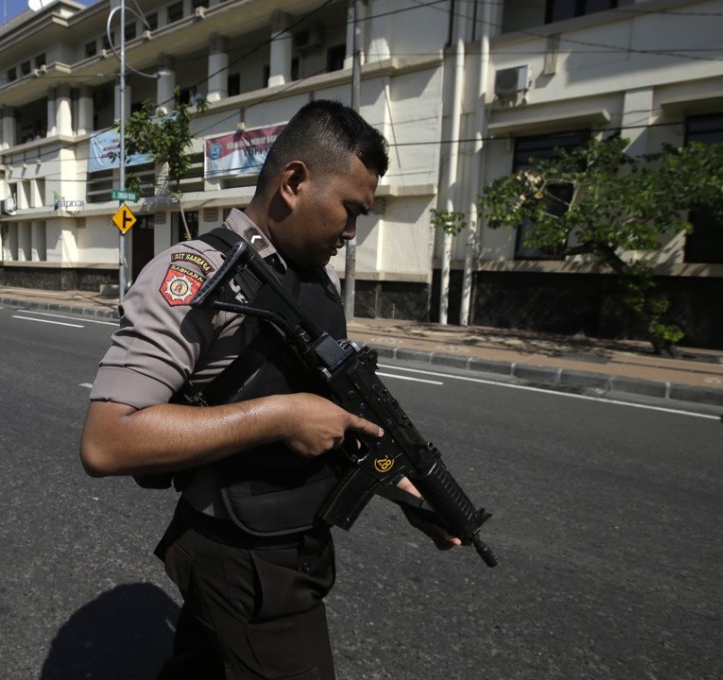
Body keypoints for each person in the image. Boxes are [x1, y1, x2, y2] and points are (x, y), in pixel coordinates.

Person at [80, 100, 463, 679]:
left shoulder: (312, 278)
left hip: (289, 536)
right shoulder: (193, 274)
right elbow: (107, 442)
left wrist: (406, 490)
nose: (353, 233)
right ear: (294, 182)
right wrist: (280, 417)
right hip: (242, 554)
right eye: (349, 210)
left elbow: (343, 415)